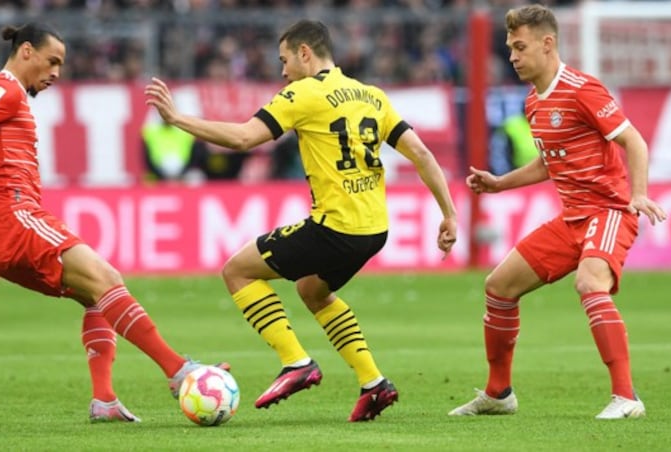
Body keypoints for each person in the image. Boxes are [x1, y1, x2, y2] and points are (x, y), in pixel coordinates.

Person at [0, 22, 227, 424]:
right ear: (27, 51)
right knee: (107, 277)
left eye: (61, 65)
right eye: (52, 62)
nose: (56, 73)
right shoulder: (7, 89)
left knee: (95, 296)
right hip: (15, 217)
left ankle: (104, 400)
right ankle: (178, 371)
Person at [145, 19, 458, 422]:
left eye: (285, 59)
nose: (282, 71)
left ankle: (296, 363)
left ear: (305, 53)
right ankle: (374, 384)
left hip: (335, 227)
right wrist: (449, 213)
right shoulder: (371, 95)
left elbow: (243, 138)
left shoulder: (303, 93)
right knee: (312, 290)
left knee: (237, 270)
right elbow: (423, 155)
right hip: (374, 229)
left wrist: (178, 119)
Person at [448, 4, 667, 420]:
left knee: (590, 282)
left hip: (610, 211)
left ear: (548, 44)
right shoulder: (533, 103)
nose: (512, 56)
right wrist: (499, 182)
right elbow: (548, 163)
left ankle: (627, 398)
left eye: (519, 47)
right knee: (499, 286)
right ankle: (498, 394)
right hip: (572, 220)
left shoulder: (583, 89)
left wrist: (637, 194)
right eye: (510, 48)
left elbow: (634, 141)